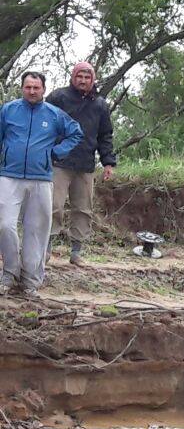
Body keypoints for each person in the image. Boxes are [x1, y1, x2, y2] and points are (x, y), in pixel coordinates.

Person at [0, 71, 83, 298]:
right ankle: (9, 274)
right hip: (9, 176)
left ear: (43, 89)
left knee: (36, 230)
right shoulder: (8, 110)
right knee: (5, 225)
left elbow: (76, 133)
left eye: (36, 87)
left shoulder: (54, 114)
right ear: (22, 88)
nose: (32, 91)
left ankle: (30, 282)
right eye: (28, 87)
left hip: (41, 178)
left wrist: (56, 152)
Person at [46, 61, 116, 265]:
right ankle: (46, 248)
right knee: (53, 206)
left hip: (85, 164)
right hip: (59, 162)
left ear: (93, 79)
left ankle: (76, 252)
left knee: (83, 209)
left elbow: (105, 135)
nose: (83, 80)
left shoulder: (100, 104)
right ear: (73, 77)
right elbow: (45, 125)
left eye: (87, 77)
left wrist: (108, 163)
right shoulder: (58, 97)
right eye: (79, 76)